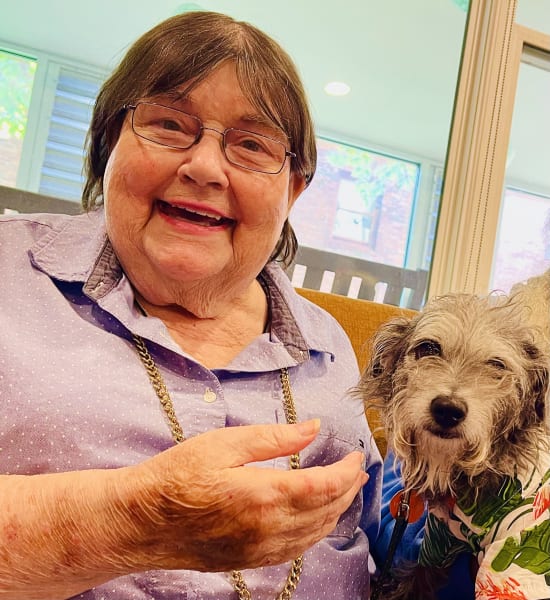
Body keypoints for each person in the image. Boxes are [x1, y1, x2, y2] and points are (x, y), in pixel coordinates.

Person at [0, 10, 382, 600]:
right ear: (109, 144)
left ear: (294, 189)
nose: (204, 167)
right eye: (169, 124)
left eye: (253, 145)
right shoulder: (10, 273)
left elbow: (381, 541)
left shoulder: (329, 345)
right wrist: (137, 521)